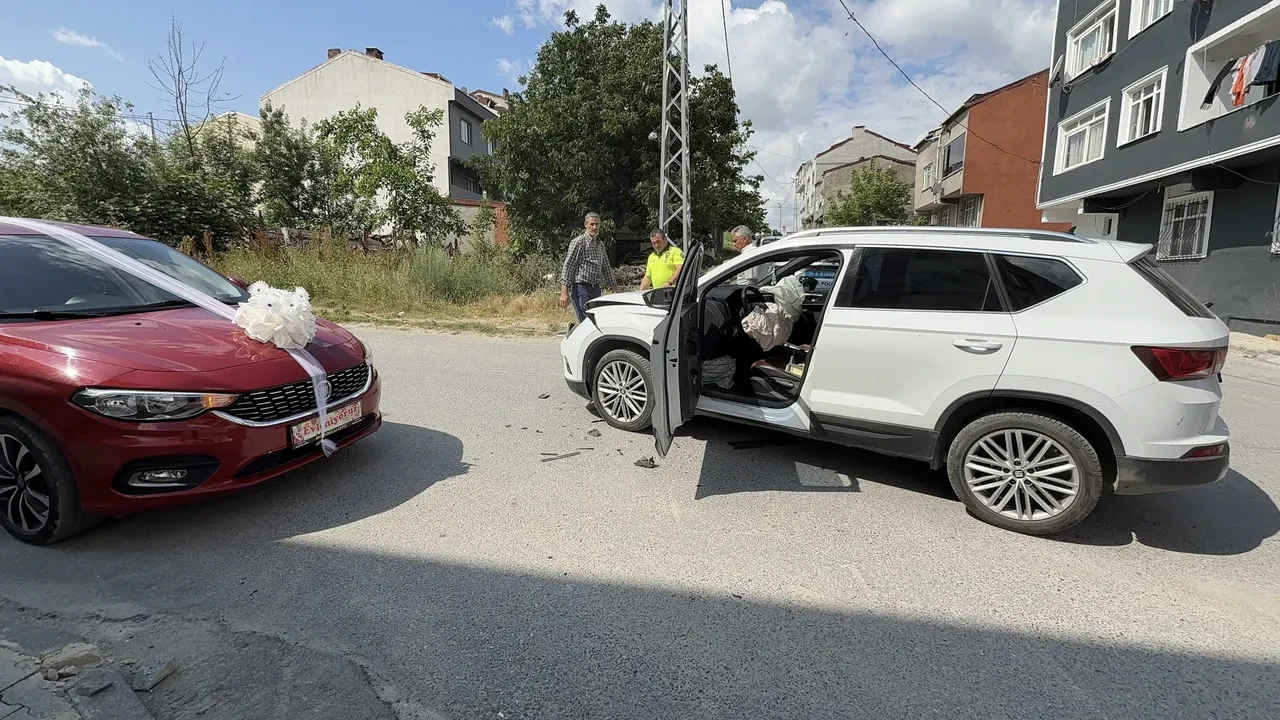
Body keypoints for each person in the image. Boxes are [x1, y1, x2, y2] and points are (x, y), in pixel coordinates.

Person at [560, 212, 617, 322]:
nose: (594, 227)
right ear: (586, 225)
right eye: (592, 224)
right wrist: (564, 292)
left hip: (596, 288)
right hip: (581, 288)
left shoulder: (600, 245)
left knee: (596, 320)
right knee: (586, 320)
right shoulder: (578, 243)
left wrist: (616, 289)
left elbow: (606, 268)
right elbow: (568, 266)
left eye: (597, 224)